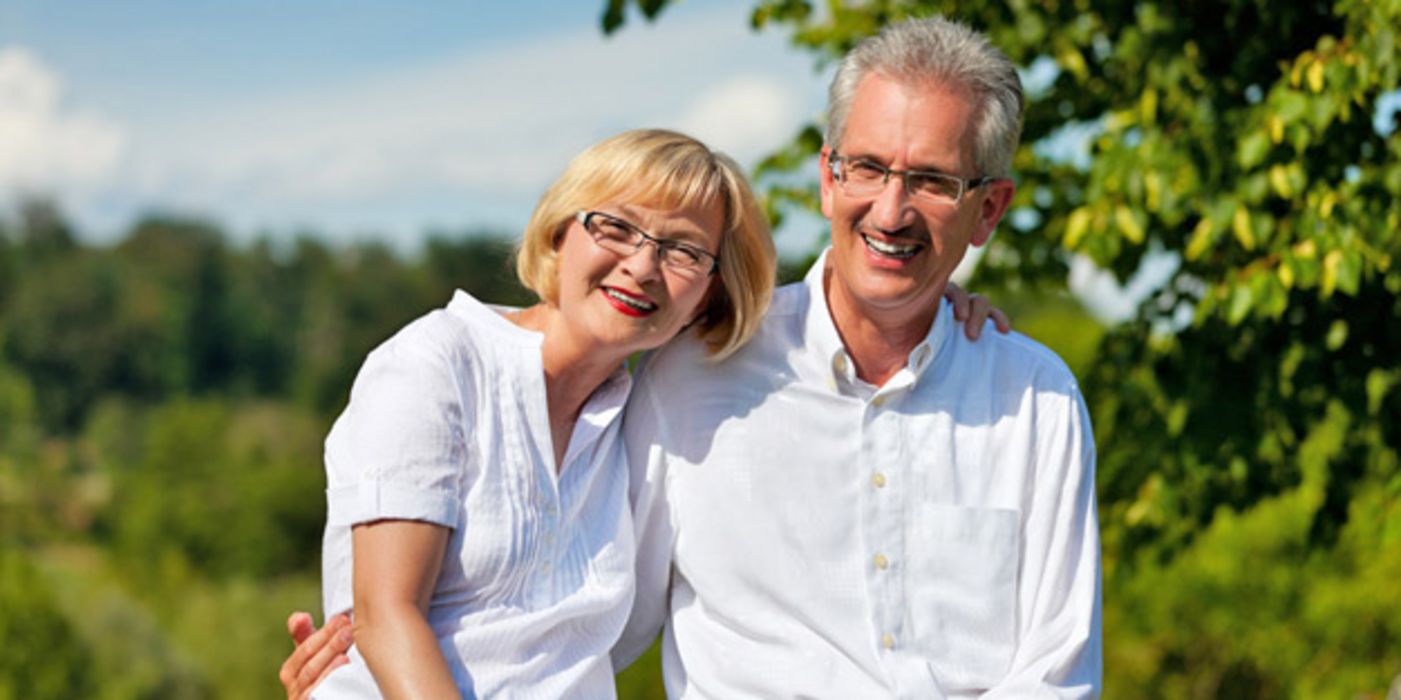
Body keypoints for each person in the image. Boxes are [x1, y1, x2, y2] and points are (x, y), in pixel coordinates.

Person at [609, 16, 1101, 697]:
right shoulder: (692, 375)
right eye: (867, 168)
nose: (890, 211)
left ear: (987, 210)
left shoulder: (1034, 399)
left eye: (931, 181)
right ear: (828, 178)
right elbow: (595, 628)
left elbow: (1056, 676)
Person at [300, 128, 779, 698]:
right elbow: (386, 617)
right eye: (618, 227)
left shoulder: (645, 419)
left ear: (708, 294)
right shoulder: (437, 364)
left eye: (682, 251)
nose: (643, 266)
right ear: (559, 234)